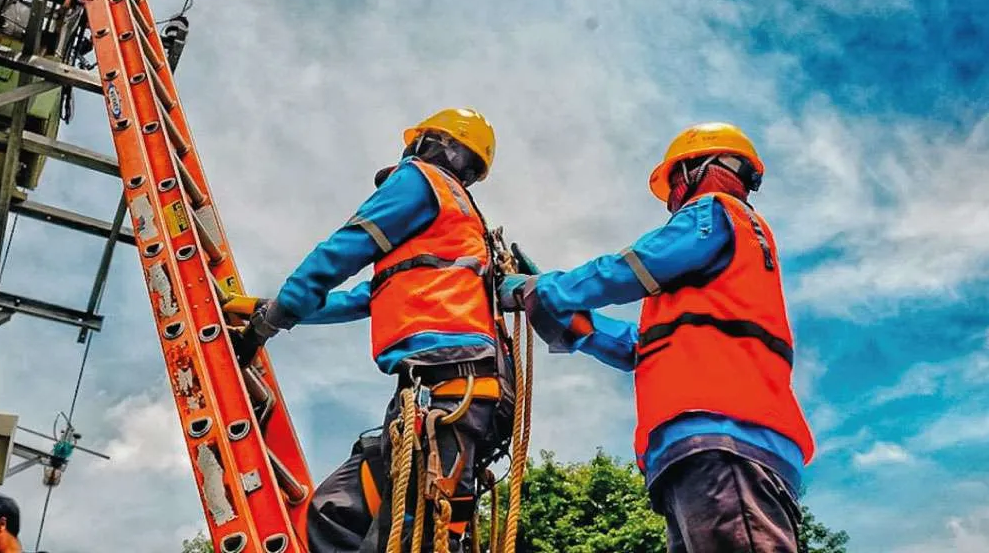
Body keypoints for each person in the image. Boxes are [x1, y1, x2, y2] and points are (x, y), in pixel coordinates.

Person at [500, 123, 814, 553]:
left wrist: (542, 289)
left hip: (723, 438)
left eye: (673, 182)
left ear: (699, 168)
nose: (671, 198)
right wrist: (568, 319)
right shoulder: (715, 282)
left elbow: (630, 267)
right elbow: (643, 344)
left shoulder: (715, 212)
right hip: (705, 447)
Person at [234, 107, 513, 553]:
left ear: (428, 144)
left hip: (450, 391)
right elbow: (366, 297)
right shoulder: (454, 231)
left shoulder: (420, 182)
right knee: (332, 516)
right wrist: (270, 307)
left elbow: (344, 248)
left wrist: (272, 319)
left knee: (409, 538)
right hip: (450, 391)